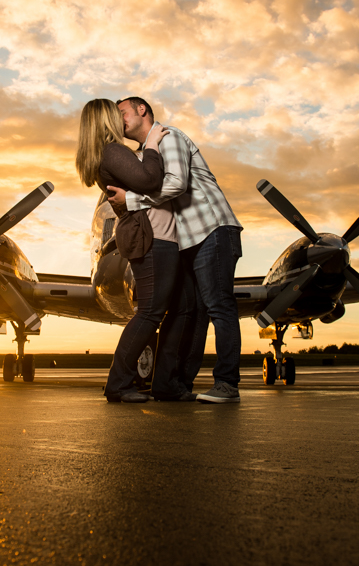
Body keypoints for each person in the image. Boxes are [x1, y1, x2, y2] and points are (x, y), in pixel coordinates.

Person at [108, 97, 243, 404]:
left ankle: (227, 384)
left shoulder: (169, 137)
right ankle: (172, 384)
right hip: (188, 240)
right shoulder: (145, 155)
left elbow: (177, 183)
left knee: (219, 306)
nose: (120, 121)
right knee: (192, 310)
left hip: (212, 229)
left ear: (142, 110)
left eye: (123, 113)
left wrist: (131, 201)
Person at [75, 99, 178, 403]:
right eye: (115, 113)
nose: (120, 118)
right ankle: (118, 384)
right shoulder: (113, 151)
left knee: (150, 311)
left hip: (137, 232)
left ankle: (123, 383)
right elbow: (150, 180)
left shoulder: (102, 155)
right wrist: (153, 145)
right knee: (149, 312)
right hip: (144, 233)